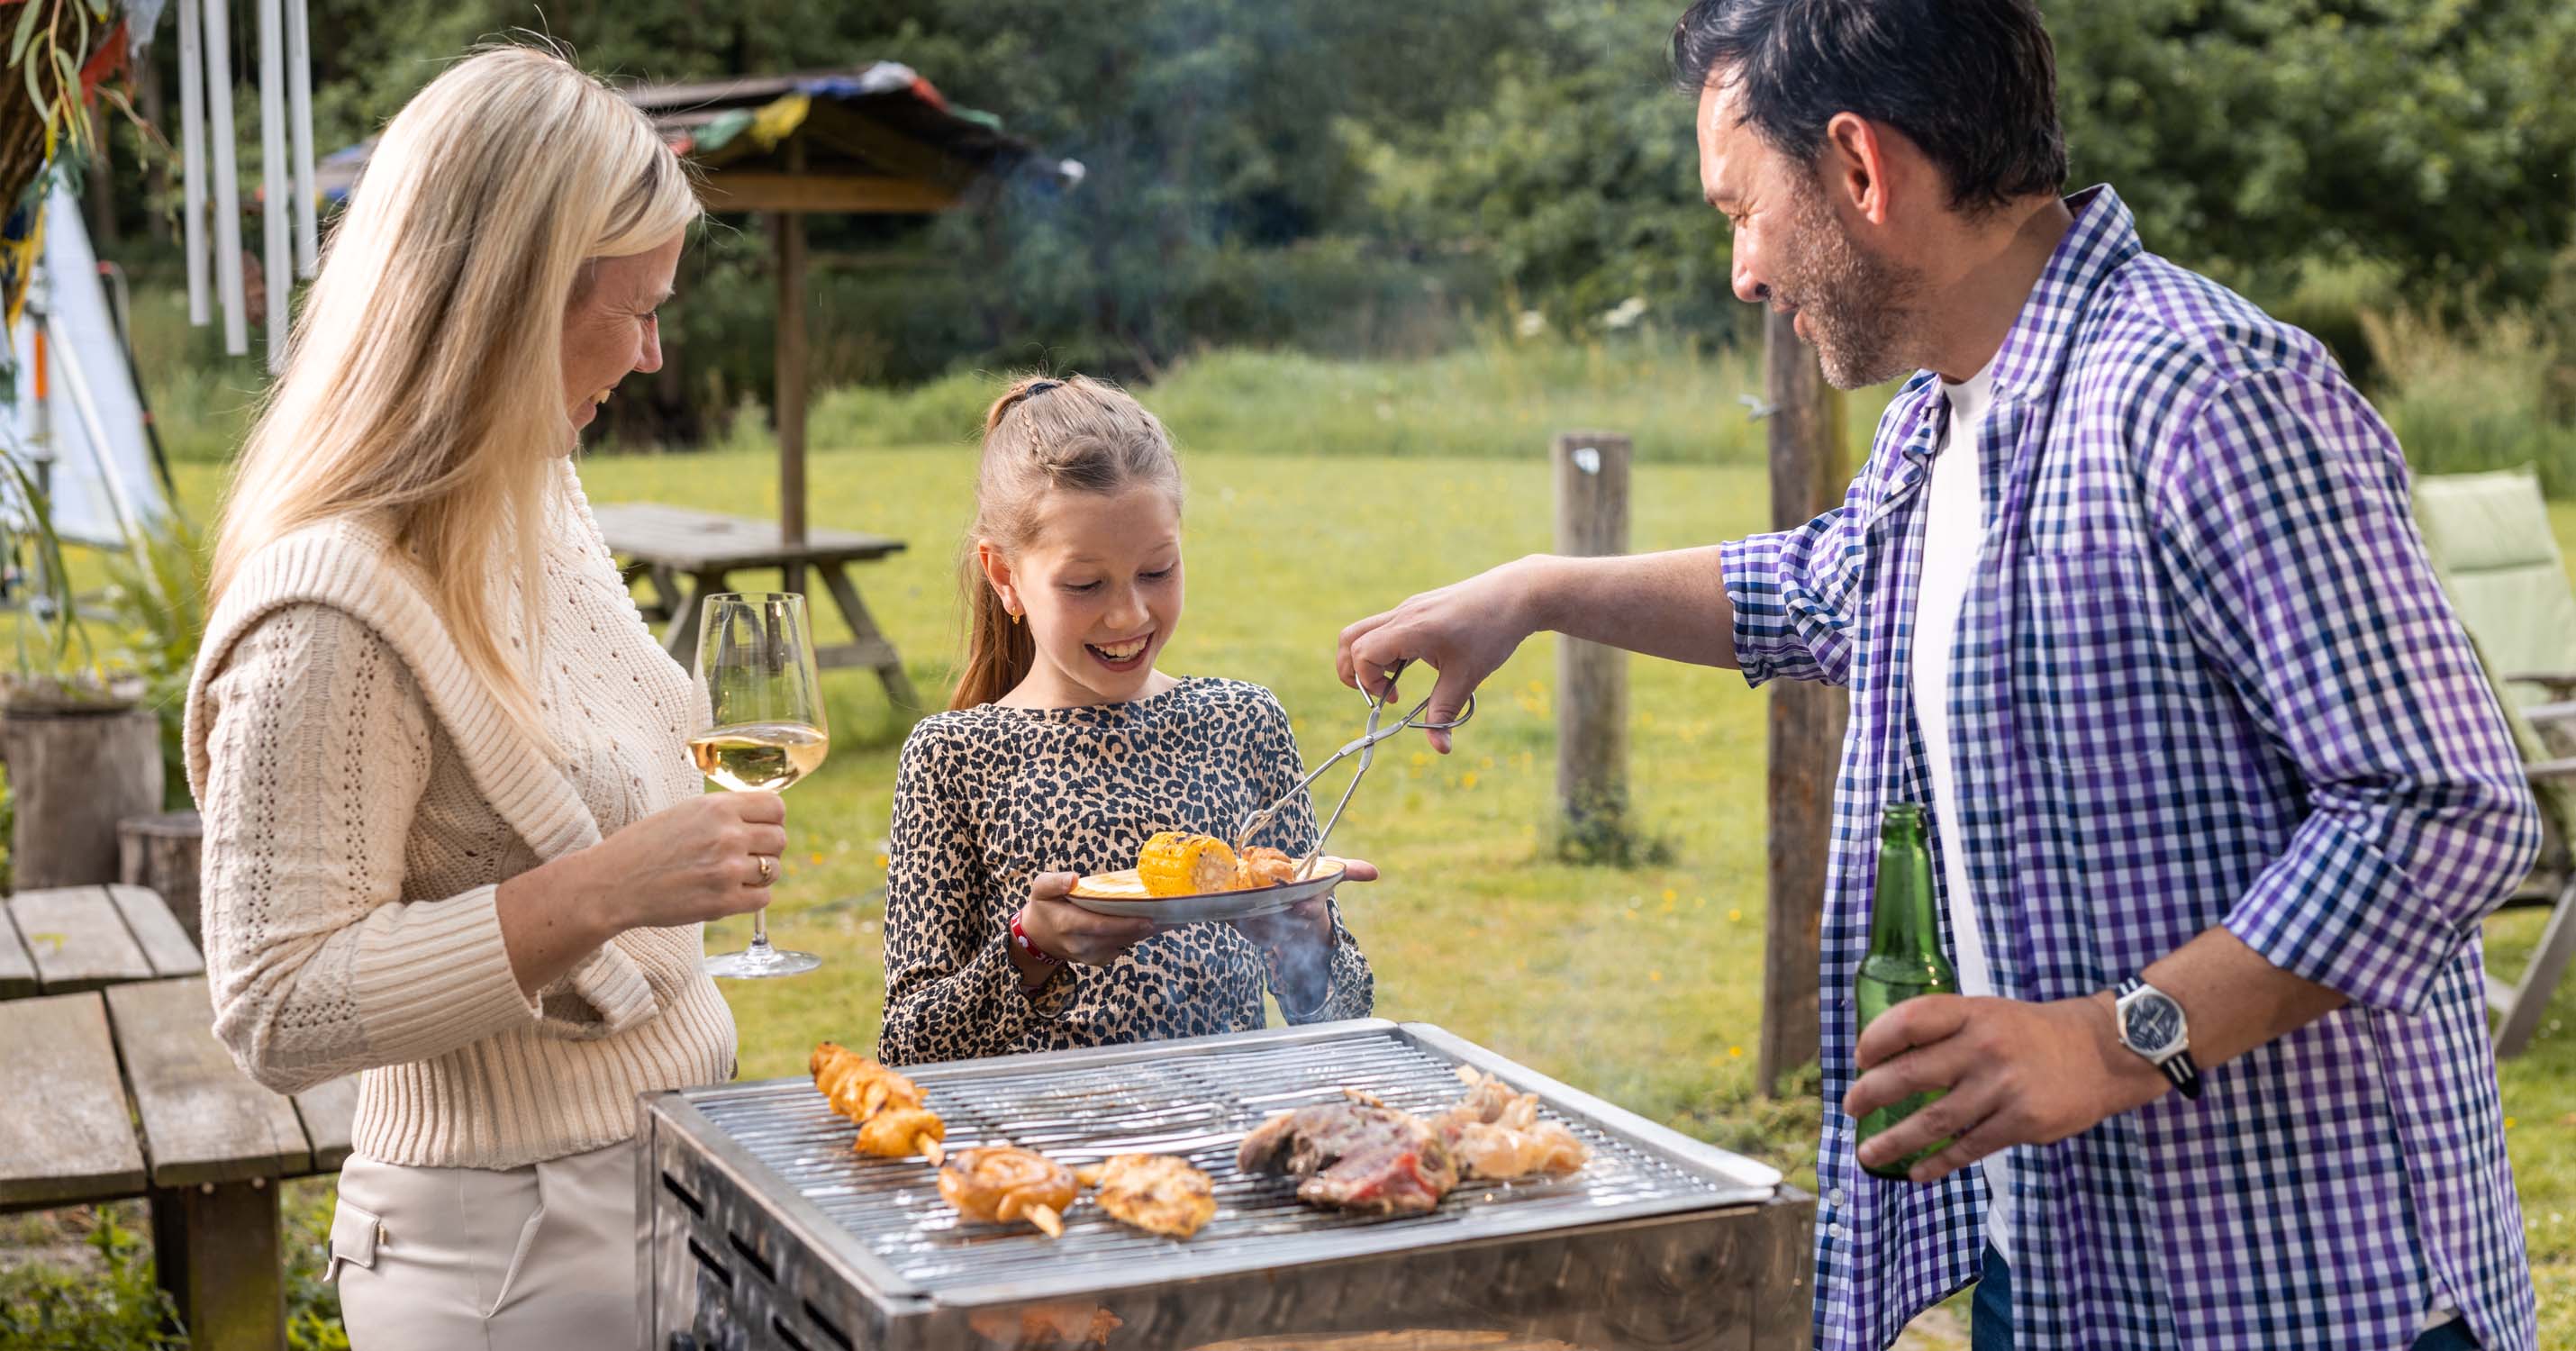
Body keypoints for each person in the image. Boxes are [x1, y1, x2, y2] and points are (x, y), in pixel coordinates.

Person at [1332, 2, 2539, 1347]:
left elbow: (2443, 808)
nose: (1741, 270)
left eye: (1743, 210)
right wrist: (1539, 592)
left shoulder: (2204, 392)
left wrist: (2106, 1041)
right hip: (2063, 1265)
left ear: (1861, 168)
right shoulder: (1945, 414)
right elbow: (1825, 589)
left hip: (2301, 1295)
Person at [186, 47, 782, 1349]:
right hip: (514, 1256)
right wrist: (608, 892)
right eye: (632, 310)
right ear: (508, 307)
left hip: (665, 1195)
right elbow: (278, 1005)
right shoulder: (330, 604)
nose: (652, 351)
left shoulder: (532, 495)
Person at [876, 374, 1375, 1066]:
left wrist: (1310, 935)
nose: (1130, 616)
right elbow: (906, 1046)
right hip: (1039, 1145)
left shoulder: (1243, 723)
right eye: (1085, 585)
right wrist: (1029, 949)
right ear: (1004, 577)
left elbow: (1341, 1018)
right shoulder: (954, 757)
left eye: (1158, 571)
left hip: (1225, 1129)